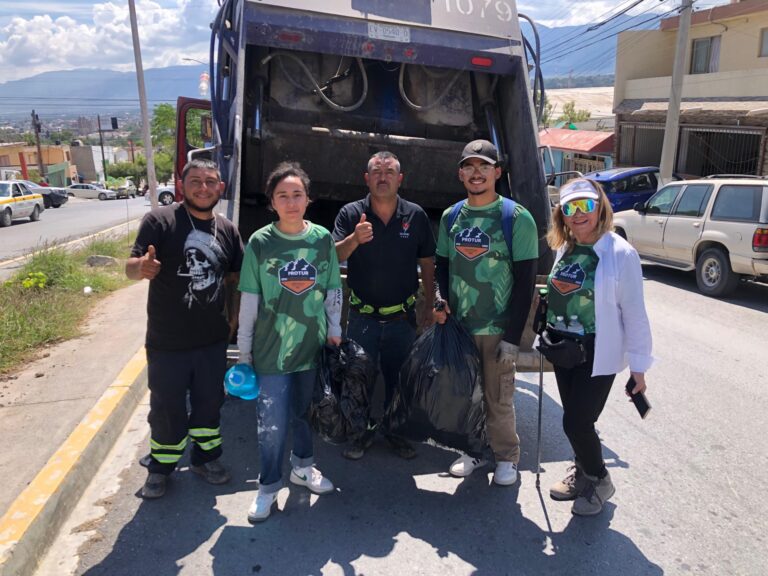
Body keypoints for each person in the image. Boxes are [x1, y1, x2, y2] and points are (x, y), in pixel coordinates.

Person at [126, 158, 244, 499]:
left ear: (220, 187)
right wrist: (142, 268)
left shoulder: (228, 230)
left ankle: (205, 460)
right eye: (196, 180)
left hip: (211, 340)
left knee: (210, 404)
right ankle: (161, 468)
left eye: (210, 181)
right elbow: (131, 266)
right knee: (166, 407)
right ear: (182, 185)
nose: (203, 187)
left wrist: (233, 321)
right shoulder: (160, 221)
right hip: (167, 341)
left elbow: (235, 278)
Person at [237, 162, 342, 523]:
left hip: (310, 350)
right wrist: (244, 353)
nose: (291, 201)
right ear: (272, 203)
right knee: (272, 422)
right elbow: (249, 301)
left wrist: (335, 329)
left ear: (308, 199)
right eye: (283, 195)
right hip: (271, 353)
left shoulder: (322, 239)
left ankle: (303, 467)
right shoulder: (260, 243)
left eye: (297, 194)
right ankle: (268, 487)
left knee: (303, 416)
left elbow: (332, 289)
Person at [545, 178, 653, 516]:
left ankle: (600, 479)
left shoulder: (621, 253)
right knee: (575, 419)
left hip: (596, 352)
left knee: (577, 422)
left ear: (599, 207)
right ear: (562, 214)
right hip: (564, 348)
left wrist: (639, 367)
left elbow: (634, 312)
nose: (578, 215)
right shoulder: (565, 247)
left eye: (585, 206)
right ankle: (583, 473)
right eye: (570, 208)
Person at [433, 139, 538, 486]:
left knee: (498, 396)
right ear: (461, 174)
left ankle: (507, 457)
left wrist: (512, 337)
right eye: (469, 167)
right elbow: (443, 266)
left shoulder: (515, 218)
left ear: (497, 172)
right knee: (465, 393)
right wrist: (441, 299)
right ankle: (474, 451)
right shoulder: (451, 217)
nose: (476, 173)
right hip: (461, 327)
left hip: (496, 327)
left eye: (484, 166)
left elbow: (525, 282)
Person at [333, 151, 436, 460]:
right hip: (362, 317)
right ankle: (360, 433)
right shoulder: (351, 214)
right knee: (358, 379)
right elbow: (333, 256)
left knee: (399, 381)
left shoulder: (415, 215)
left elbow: (428, 263)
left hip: (401, 319)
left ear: (399, 179)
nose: (382, 177)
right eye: (376, 172)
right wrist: (354, 239)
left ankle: (395, 433)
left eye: (389, 172)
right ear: (366, 178)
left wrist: (429, 304)